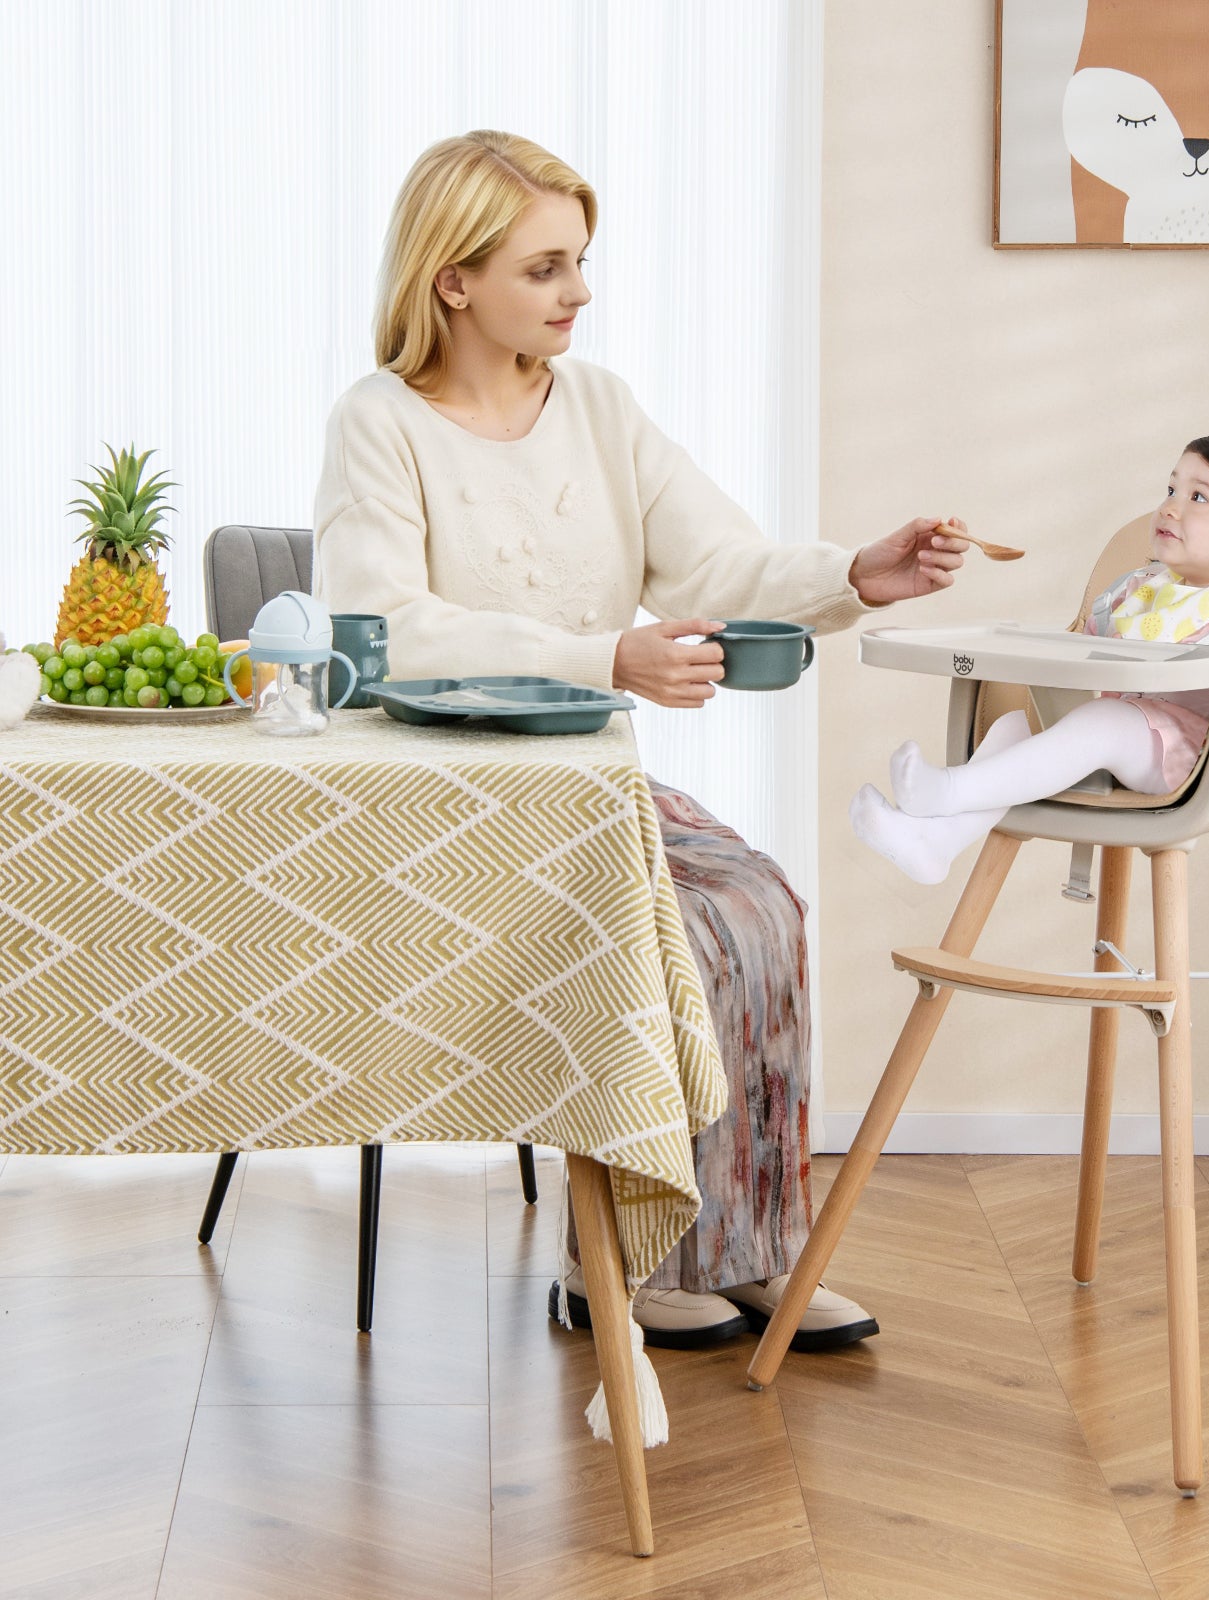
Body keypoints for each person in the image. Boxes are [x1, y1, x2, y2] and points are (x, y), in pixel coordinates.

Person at [311, 130, 970, 1348]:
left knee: (758, 902)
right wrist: (603, 657)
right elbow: (383, 631)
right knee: (691, 922)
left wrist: (854, 574)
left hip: (584, 782)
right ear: (453, 279)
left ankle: (751, 1246)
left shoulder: (601, 408)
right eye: (548, 267)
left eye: (581, 261)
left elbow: (718, 564)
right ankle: (617, 1260)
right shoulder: (381, 422)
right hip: (436, 799)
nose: (581, 291)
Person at [851, 394, 1209, 884]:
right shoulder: (1142, 589)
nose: (1171, 507)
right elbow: (1083, 645)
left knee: (1109, 720)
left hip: (1189, 760)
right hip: (1118, 740)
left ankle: (943, 793)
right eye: (1171, 488)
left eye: (1198, 497)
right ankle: (934, 843)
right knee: (1015, 728)